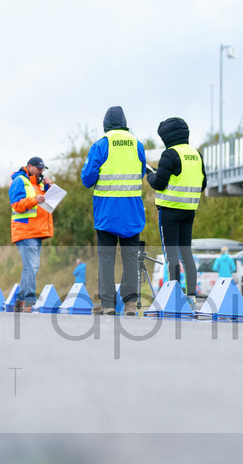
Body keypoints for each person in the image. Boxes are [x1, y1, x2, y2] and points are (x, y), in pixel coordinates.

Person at [81, 106, 147, 316]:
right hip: (132, 211)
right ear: (124, 123)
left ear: (106, 125)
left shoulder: (101, 145)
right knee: (131, 258)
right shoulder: (137, 144)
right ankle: (130, 304)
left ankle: (108, 304)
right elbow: (141, 172)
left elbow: (87, 178)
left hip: (107, 212)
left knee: (106, 258)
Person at [145, 117, 206, 312]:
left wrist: (149, 174)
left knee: (171, 255)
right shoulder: (196, 154)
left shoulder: (169, 154)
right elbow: (202, 184)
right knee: (186, 253)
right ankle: (191, 299)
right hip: (189, 211)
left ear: (167, 136)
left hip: (169, 211)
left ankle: (174, 296)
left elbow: (159, 183)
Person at [9, 157, 54, 312]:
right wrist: (35, 200)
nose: (41, 171)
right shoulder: (19, 181)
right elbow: (16, 205)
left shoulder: (39, 184)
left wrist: (49, 186)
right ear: (29, 166)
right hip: (25, 230)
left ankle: (21, 301)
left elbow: (50, 201)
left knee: (31, 267)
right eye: (38, 168)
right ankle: (29, 301)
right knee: (31, 266)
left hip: (37, 231)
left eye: (42, 169)